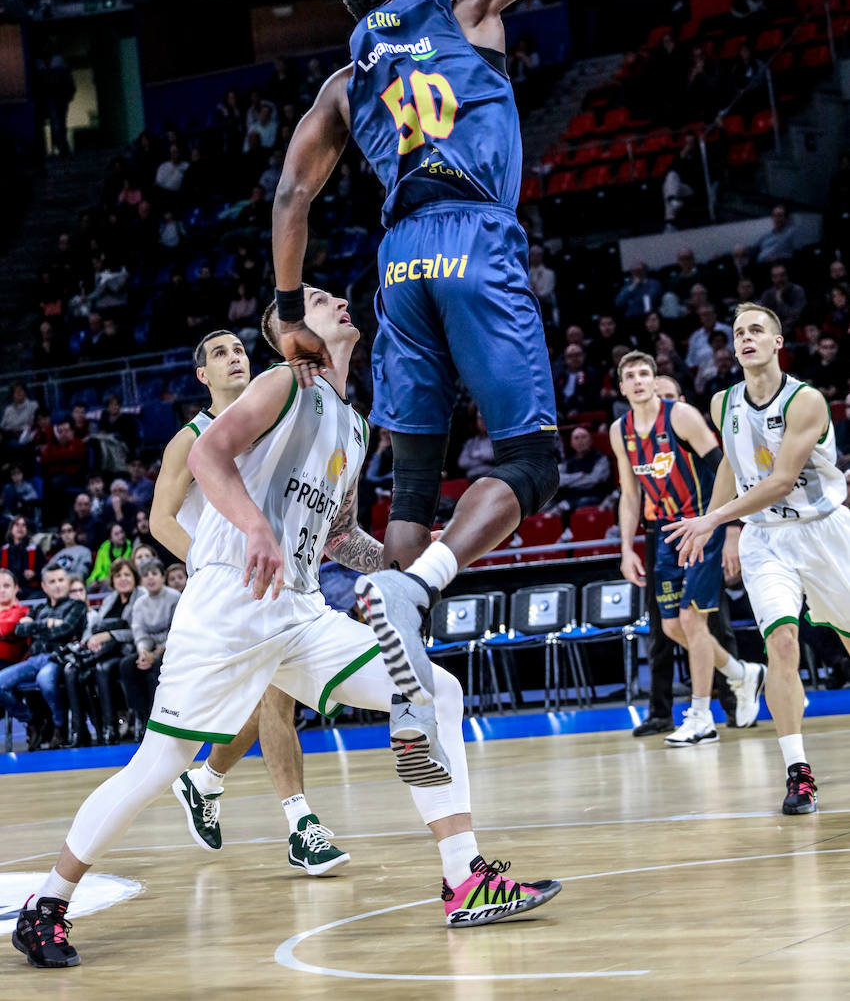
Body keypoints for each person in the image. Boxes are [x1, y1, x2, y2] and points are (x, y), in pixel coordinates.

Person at [13, 291, 559, 969]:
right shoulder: (283, 383)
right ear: (292, 331)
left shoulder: (356, 428)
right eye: (323, 300)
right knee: (158, 764)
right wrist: (255, 530)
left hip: (299, 609)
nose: (340, 302)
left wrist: (403, 561)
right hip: (228, 603)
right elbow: (210, 453)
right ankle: (48, 904)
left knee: (433, 689)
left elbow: (338, 536)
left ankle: (464, 878)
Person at [270, 0, 601, 705]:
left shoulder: (343, 82)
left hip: (399, 261)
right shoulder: (463, 5)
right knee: (532, 461)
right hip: (472, 234)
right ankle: (418, 585)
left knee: (413, 477)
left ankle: (408, 677)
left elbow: (292, 197)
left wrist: (291, 309)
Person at [150, 327, 348, 870]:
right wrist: (216, 565)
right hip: (227, 594)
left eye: (239, 349)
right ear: (202, 375)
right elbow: (159, 520)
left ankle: (217, 785)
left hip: (280, 587)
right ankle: (291, 819)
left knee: (270, 703)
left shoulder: (278, 418)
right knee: (262, 706)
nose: (234, 358)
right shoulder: (191, 438)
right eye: (219, 353)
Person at [668, 302, 850, 814]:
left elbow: (780, 481)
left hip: (824, 532)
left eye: (755, 331)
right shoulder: (723, 401)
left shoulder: (806, 400)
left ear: (777, 343)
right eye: (737, 332)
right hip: (766, 540)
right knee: (783, 644)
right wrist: (715, 525)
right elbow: (731, 462)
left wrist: (712, 518)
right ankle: (798, 773)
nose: (745, 338)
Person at [612, 352, 764, 744]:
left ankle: (701, 717)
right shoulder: (620, 431)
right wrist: (626, 549)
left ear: (655, 378)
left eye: (645, 373)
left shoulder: (680, 416)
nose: (639, 380)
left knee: (694, 622)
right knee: (671, 627)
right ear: (622, 387)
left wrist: (729, 526)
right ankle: (739, 673)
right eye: (631, 375)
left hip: (701, 523)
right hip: (663, 533)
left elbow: (725, 467)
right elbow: (630, 495)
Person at [0, 563, 86, 750]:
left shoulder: (77, 605)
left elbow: (66, 629)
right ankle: (33, 720)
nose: (57, 585)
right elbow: (20, 629)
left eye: (61, 580)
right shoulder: (39, 608)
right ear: (44, 586)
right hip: (34, 658)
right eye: (52, 581)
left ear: (68, 582)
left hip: (58, 657)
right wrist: (48, 623)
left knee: (45, 680)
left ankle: (59, 726)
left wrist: (36, 625)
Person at [63, 558, 141, 747]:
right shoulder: (109, 599)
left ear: (134, 577)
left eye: (127, 575)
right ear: (113, 580)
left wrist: (108, 635)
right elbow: (96, 627)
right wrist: (90, 642)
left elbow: (137, 631)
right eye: (118, 575)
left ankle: (111, 727)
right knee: (77, 669)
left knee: (102, 668)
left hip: (129, 650)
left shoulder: (141, 597)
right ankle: (93, 729)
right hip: (106, 651)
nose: (122, 579)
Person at [119, 558, 179, 738]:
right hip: (150, 650)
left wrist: (156, 653)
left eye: (154, 573)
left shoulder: (174, 597)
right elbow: (139, 631)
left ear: (162, 576)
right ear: (141, 580)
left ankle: (160, 720)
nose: (150, 578)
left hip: (172, 648)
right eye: (145, 575)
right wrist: (143, 652)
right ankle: (140, 716)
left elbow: (176, 631)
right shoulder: (139, 603)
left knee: (156, 668)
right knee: (127, 665)